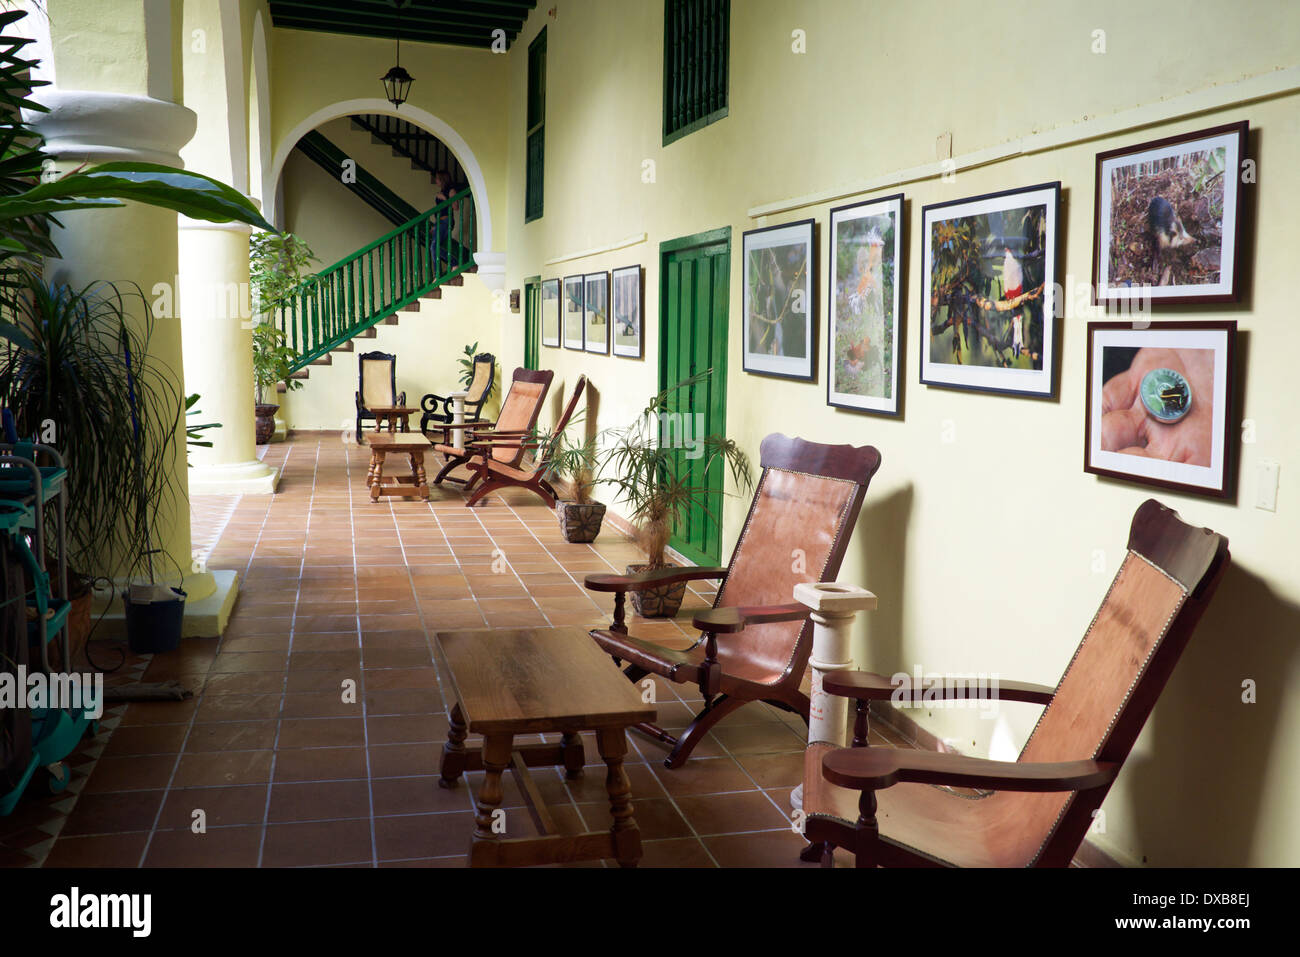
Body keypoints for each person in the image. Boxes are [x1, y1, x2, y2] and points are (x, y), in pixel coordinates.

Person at [429, 170, 454, 272]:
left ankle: (454, 263)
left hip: (446, 221)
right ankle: (438, 274)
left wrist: (444, 198)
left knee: (434, 247)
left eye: (437, 178)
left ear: (442, 179)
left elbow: (455, 206)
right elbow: (439, 211)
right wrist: (435, 225)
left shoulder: (451, 190)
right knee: (435, 247)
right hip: (440, 222)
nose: (435, 180)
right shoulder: (440, 192)